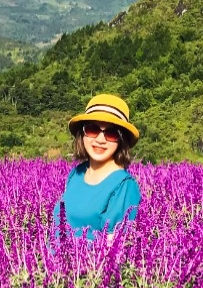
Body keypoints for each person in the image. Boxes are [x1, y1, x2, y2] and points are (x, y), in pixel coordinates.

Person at [53, 94, 142, 242]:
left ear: (121, 140)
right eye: (92, 129)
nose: (100, 140)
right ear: (83, 134)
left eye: (111, 133)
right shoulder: (76, 174)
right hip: (54, 262)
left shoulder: (124, 186)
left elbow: (114, 248)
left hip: (90, 264)